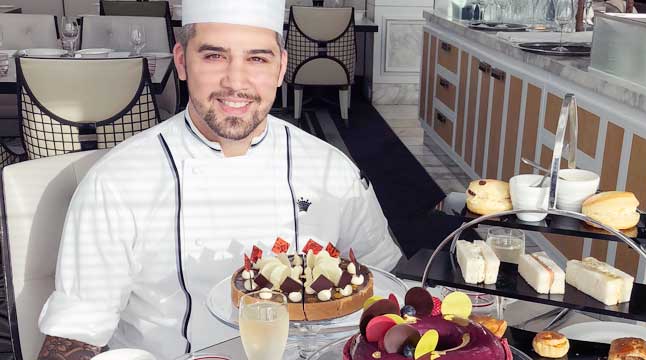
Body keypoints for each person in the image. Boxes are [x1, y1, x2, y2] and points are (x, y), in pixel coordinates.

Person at [36, 0, 403, 358]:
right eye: (214, 56)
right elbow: (72, 339)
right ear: (181, 61)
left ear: (280, 68)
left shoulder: (330, 169)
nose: (236, 82)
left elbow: (387, 286)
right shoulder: (118, 182)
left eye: (257, 58)